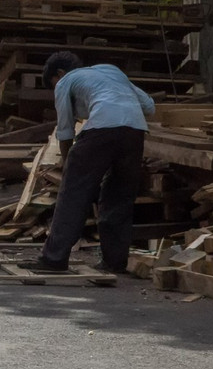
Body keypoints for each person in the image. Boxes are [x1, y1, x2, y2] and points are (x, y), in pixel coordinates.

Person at [37, 51, 155, 276]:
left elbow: (64, 130)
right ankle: (114, 262)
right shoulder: (112, 72)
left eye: (53, 84)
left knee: (73, 192)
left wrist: (67, 165)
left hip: (101, 128)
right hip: (135, 131)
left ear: (60, 74)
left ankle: (54, 258)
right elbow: (149, 106)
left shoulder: (66, 82)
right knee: (119, 197)